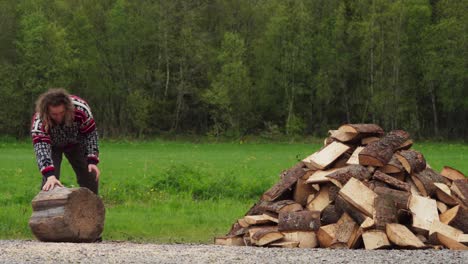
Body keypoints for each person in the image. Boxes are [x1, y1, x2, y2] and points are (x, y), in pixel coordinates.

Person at [31, 88, 100, 194]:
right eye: (54, 114)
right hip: (52, 146)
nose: (58, 117)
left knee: (90, 175)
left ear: (67, 108)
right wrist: (50, 175)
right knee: (51, 182)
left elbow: (90, 134)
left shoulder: (81, 109)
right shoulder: (39, 120)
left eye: (62, 113)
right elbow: (42, 149)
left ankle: (93, 208)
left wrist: (92, 159)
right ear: (47, 111)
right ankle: (46, 207)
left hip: (76, 142)